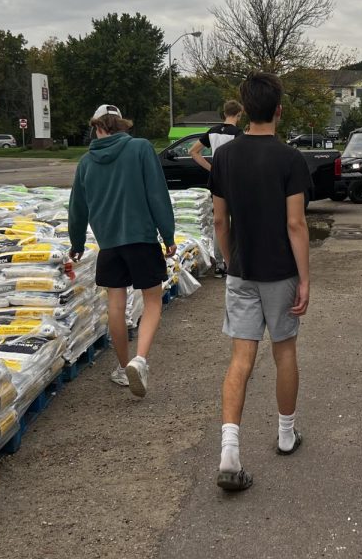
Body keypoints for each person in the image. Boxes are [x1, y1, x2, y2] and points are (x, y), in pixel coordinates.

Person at [209, 71, 311, 493]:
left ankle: (229, 449)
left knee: (241, 359)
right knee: (283, 352)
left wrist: (232, 260)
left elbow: (219, 220)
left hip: (243, 270)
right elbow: (295, 223)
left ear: (244, 110)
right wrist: (305, 278)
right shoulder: (290, 159)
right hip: (281, 273)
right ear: (279, 110)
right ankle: (286, 434)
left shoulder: (225, 157)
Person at [67, 104, 177, 398]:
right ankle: (140, 360)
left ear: (97, 127)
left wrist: (76, 244)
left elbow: (77, 209)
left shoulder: (86, 163)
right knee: (152, 302)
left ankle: (122, 365)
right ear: (122, 125)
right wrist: (168, 234)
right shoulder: (140, 149)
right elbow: (157, 193)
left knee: (115, 305)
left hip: (110, 246)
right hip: (141, 239)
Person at [190, 100, 244, 276]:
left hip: (217, 178)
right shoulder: (238, 133)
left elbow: (193, 151)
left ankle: (220, 263)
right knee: (235, 219)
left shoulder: (212, 131)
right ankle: (234, 261)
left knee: (219, 221)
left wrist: (211, 168)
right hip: (234, 179)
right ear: (239, 114)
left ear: (224, 113)